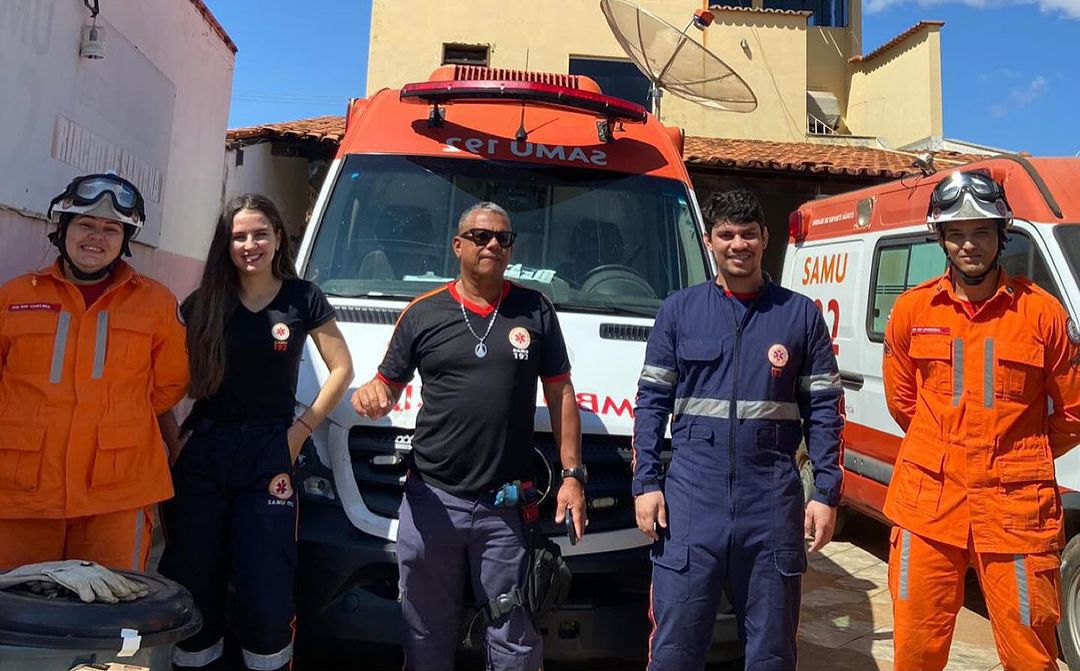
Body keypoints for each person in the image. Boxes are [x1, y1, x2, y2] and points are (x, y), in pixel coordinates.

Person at [351, 201, 586, 671]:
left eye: (503, 237)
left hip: (505, 507)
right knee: (424, 630)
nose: (493, 244)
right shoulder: (423, 313)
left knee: (515, 635)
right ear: (458, 245)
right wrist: (370, 396)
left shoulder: (534, 309)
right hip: (432, 500)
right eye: (481, 236)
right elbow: (385, 386)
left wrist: (572, 475)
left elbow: (561, 393)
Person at [633, 188, 844, 670]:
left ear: (765, 238)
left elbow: (826, 411)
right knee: (674, 649)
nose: (738, 244)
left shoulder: (799, 315)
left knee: (771, 652)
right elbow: (650, 404)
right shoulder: (678, 311)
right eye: (726, 234)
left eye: (748, 234)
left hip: (770, 501)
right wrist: (645, 483)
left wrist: (826, 493)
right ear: (709, 241)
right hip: (691, 500)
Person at [883, 171, 1080, 671]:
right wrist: (947, 448)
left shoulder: (1042, 315)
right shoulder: (912, 310)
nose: (969, 244)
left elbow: (1073, 413)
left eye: (981, 232)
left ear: (1001, 234)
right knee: (915, 654)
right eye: (957, 233)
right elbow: (903, 403)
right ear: (941, 238)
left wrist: (1019, 455)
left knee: (1031, 658)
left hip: (1017, 513)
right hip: (928, 509)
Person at [159, 194, 353, 671]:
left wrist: (300, 432)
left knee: (265, 588)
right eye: (239, 236)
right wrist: (173, 438)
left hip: (270, 452)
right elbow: (159, 380)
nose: (250, 245)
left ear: (278, 238)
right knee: (194, 582)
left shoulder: (303, 297)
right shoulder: (203, 303)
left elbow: (342, 370)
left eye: (260, 234)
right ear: (226, 245)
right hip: (204, 451)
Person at [0, 172, 188, 572]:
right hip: (21, 491)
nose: (96, 237)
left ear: (125, 240)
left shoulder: (156, 303)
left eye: (111, 229)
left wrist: (115, 412)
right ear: (63, 229)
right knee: (14, 603)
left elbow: (169, 386)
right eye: (85, 224)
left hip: (117, 494)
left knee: (111, 602)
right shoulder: (14, 296)